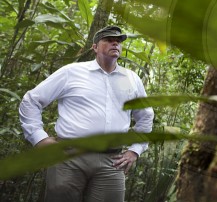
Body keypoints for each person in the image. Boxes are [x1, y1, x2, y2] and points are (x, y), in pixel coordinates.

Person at [19, 25, 154, 202]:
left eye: (119, 41)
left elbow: (145, 116)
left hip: (112, 160)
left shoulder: (131, 79)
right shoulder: (71, 72)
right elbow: (31, 100)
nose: (115, 43)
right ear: (95, 47)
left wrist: (134, 151)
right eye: (108, 40)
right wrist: (39, 138)